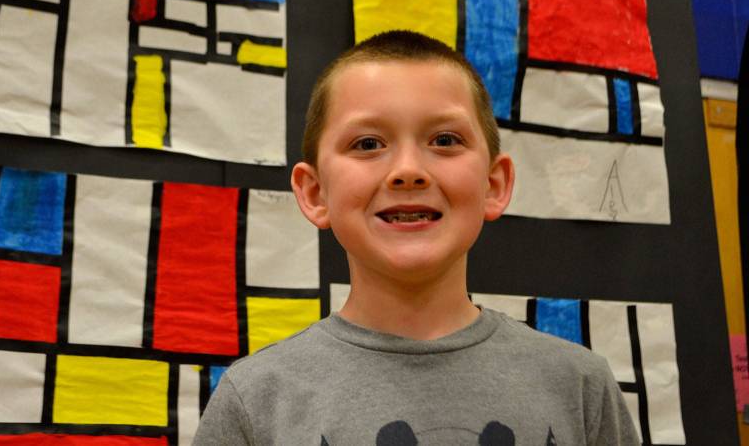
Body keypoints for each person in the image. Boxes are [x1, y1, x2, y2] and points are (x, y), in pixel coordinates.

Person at [194, 30, 639, 445]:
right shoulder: (254, 401)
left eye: (444, 139)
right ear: (315, 193)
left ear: (494, 184)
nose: (408, 170)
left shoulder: (581, 387)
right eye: (367, 144)